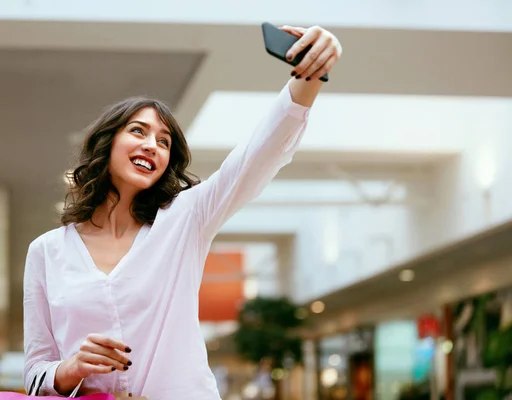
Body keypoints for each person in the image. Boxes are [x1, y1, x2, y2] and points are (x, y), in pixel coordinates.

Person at [23, 24, 342, 399]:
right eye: (138, 131)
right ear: (107, 143)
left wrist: (310, 77)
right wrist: (70, 368)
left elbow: (256, 158)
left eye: (164, 141)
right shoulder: (47, 251)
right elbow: (35, 371)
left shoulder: (186, 218)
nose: (152, 145)